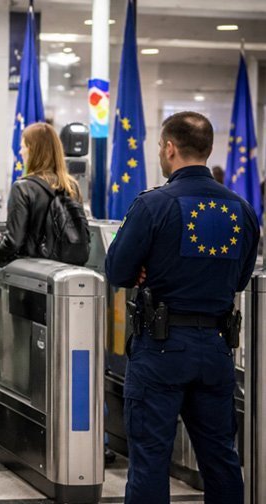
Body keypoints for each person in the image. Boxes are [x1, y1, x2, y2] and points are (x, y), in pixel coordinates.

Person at [106, 111, 259, 504]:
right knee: (221, 460)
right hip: (215, 349)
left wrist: (146, 268)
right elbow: (240, 280)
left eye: (160, 146)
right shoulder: (242, 211)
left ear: (170, 148)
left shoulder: (153, 205)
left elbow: (118, 270)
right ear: (208, 149)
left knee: (150, 460)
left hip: (160, 350)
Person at [0, 123, 82, 262]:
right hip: (66, 266)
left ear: (33, 150)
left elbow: (14, 241)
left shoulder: (23, 188)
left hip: (32, 273)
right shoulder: (71, 186)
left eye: (22, 147)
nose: (20, 152)